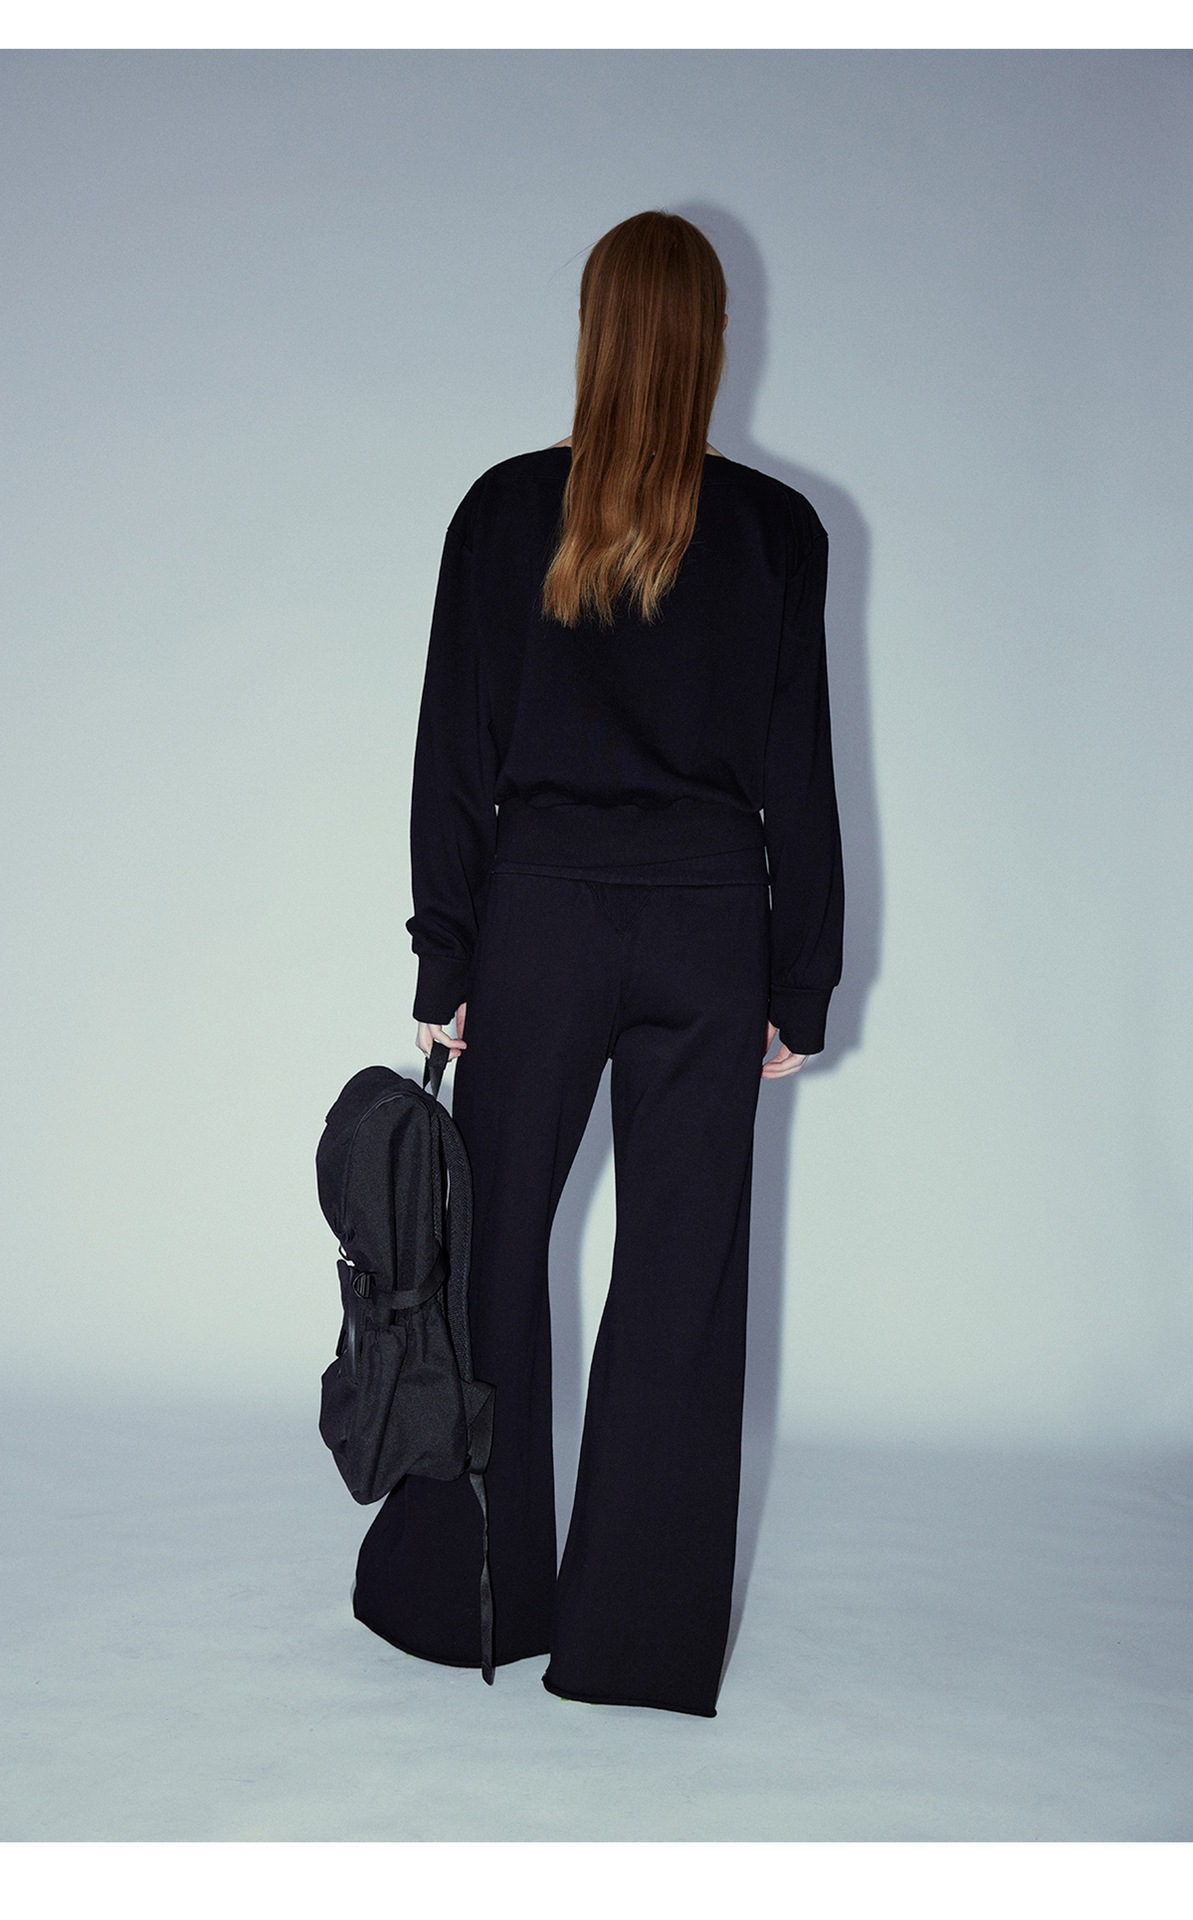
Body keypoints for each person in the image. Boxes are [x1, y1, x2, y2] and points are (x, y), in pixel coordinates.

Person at [351, 210, 844, 1719]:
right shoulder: (774, 530)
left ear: (592, 332)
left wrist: (446, 956)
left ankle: (465, 1604)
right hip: (709, 932)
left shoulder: (505, 512)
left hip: (539, 928)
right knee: (683, 1281)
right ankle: (635, 1646)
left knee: (486, 1259)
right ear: (711, 342)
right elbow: (798, 773)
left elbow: (452, 753)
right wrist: (798, 980)